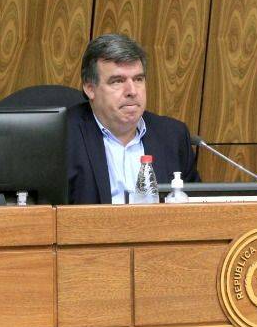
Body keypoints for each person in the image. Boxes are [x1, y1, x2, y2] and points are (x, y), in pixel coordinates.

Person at [68, 34, 199, 204]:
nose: (132, 91)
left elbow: (197, 206)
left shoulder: (172, 136)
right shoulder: (63, 138)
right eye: (117, 81)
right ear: (90, 88)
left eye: (138, 79)